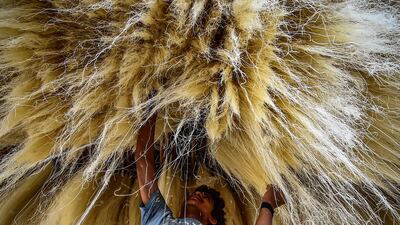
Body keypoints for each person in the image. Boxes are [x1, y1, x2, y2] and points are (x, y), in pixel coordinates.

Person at [135, 112, 285, 225]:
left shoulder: (159, 219)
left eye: (204, 196)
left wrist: (150, 109)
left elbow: (143, 161)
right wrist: (268, 203)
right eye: (204, 196)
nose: (198, 193)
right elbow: (143, 162)